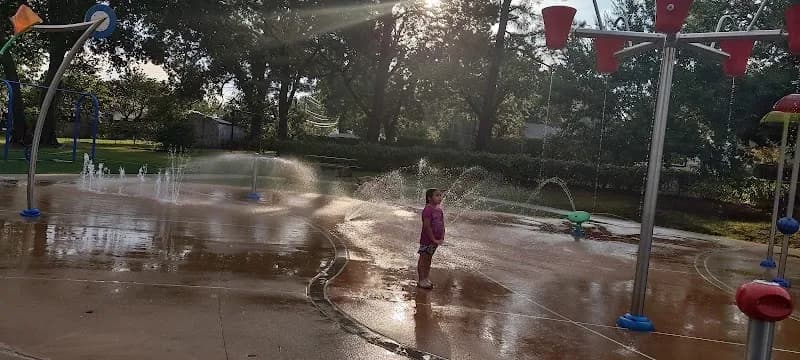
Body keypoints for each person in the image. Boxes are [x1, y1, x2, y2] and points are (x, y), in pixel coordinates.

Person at [418, 188, 444, 289]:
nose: (440, 198)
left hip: (435, 241)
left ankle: (426, 278)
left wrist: (442, 237)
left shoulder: (439, 210)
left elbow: (442, 224)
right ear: (429, 198)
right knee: (423, 259)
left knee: (429, 259)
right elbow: (427, 226)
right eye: (437, 195)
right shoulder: (428, 209)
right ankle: (421, 280)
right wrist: (433, 239)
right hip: (427, 240)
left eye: (440, 195)